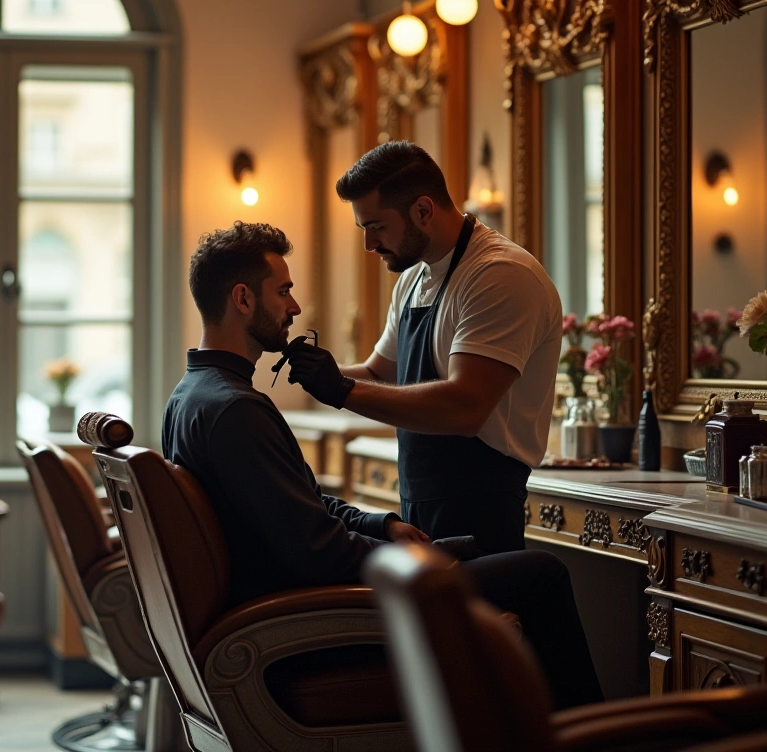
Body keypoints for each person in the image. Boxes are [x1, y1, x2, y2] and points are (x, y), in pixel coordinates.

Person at [162, 220, 602, 709]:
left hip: (299, 595)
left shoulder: (192, 397)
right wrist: (414, 564)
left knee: (480, 553)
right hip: (306, 623)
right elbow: (316, 549)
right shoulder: (236, 409)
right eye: (283, 291)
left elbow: (305, 507)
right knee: (540, 571)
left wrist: (384, 525)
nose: (294, 307)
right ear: (242, 299)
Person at [284, 141, 563, 555]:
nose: (369, 245)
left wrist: (340, 390)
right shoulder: (412, 281)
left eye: (376, 227)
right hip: (417, 501)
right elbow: (381, 373)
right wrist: (321, 371)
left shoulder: (499, 274)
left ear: (423, 211)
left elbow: (465, 408)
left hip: (481, 509)